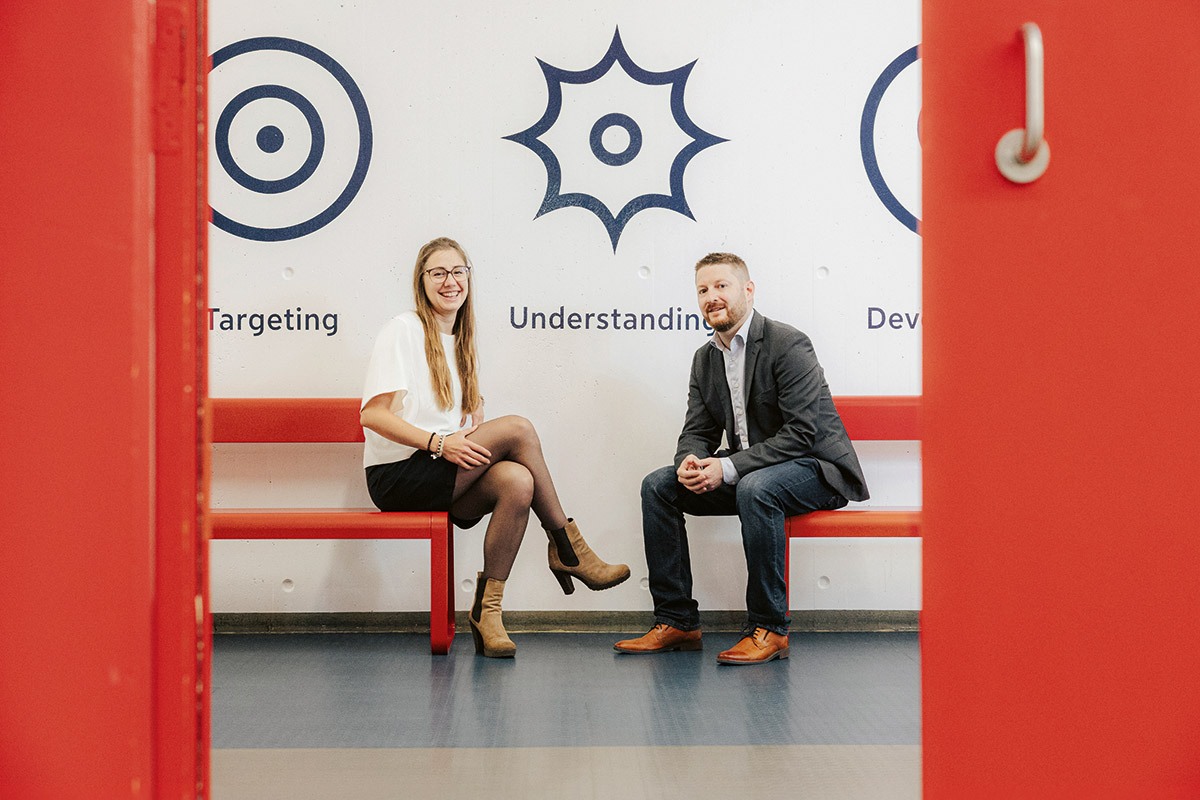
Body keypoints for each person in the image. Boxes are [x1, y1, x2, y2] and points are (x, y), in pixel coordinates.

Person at [360, 236, 630, 658]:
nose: (450, 281)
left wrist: (464, 428)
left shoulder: (459, 341)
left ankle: (488, 614)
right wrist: (439, 441)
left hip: (439, 473)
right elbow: (373, 416)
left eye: (458, 271)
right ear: (421, 281)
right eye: (438, 273)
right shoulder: (404, 329)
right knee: (519, 428)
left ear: (468, 278)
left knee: (518, 481)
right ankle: (568, 547)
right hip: (397, 476)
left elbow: (446, 422)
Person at [614, 252, 868, 665]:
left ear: (747, 291)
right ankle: (677, 621)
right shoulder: (705, 358)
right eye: (702, 290)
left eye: (721, 286)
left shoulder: (788, 343)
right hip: (754, 474)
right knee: (659, 486)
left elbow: (802, 434)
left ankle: (769, 629)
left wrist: (728, 467)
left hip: (816, 469)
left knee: (756, 487)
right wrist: (691, 462)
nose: (711, 296)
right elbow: (698, 430)